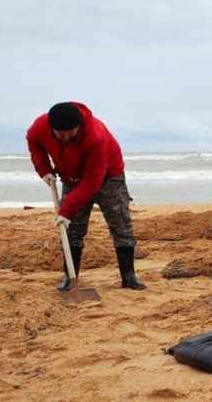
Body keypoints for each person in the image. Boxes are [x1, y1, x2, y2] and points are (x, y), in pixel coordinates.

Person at [26, 102, 145, 290]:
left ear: (79, 126)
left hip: (108, 177)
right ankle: (69, 277)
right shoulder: (40, 126)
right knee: (72, 229)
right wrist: (44, 169)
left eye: (70, 133)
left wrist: (66, 210)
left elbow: (92, 182)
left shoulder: (95, 136)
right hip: (71, 177)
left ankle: (129, 277)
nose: (65, 138)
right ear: (51, 128)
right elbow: (33, 142)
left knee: (120, 224)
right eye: (60, 134)